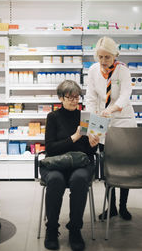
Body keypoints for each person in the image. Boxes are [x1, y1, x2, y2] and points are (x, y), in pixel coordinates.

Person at [40, 80, 99, 251]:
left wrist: (93, 143)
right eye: (70, 97)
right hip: (57, 163)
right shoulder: (53, 117)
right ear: (61, 98)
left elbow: (88, 151)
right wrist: (74, 137)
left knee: (80, 180)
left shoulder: (85, 117)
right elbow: (50, 148)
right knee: (55, 181)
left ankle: (75, 229)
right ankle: (51, 229)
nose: (74, 101)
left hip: (80, 164)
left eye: (77, 97)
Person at [85, 36, 137, 221]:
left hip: (122, 118)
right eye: (100, 57)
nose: (103, 61)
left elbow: (125, 95)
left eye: (107, 57)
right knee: (107, 166)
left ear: (114, 55)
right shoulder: (92, 71)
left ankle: (123, 207)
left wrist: (112, 109)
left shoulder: (122, 70)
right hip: (102, 118)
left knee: (124, 165)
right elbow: (90, 98)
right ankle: (112, 207)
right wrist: (92, 123)